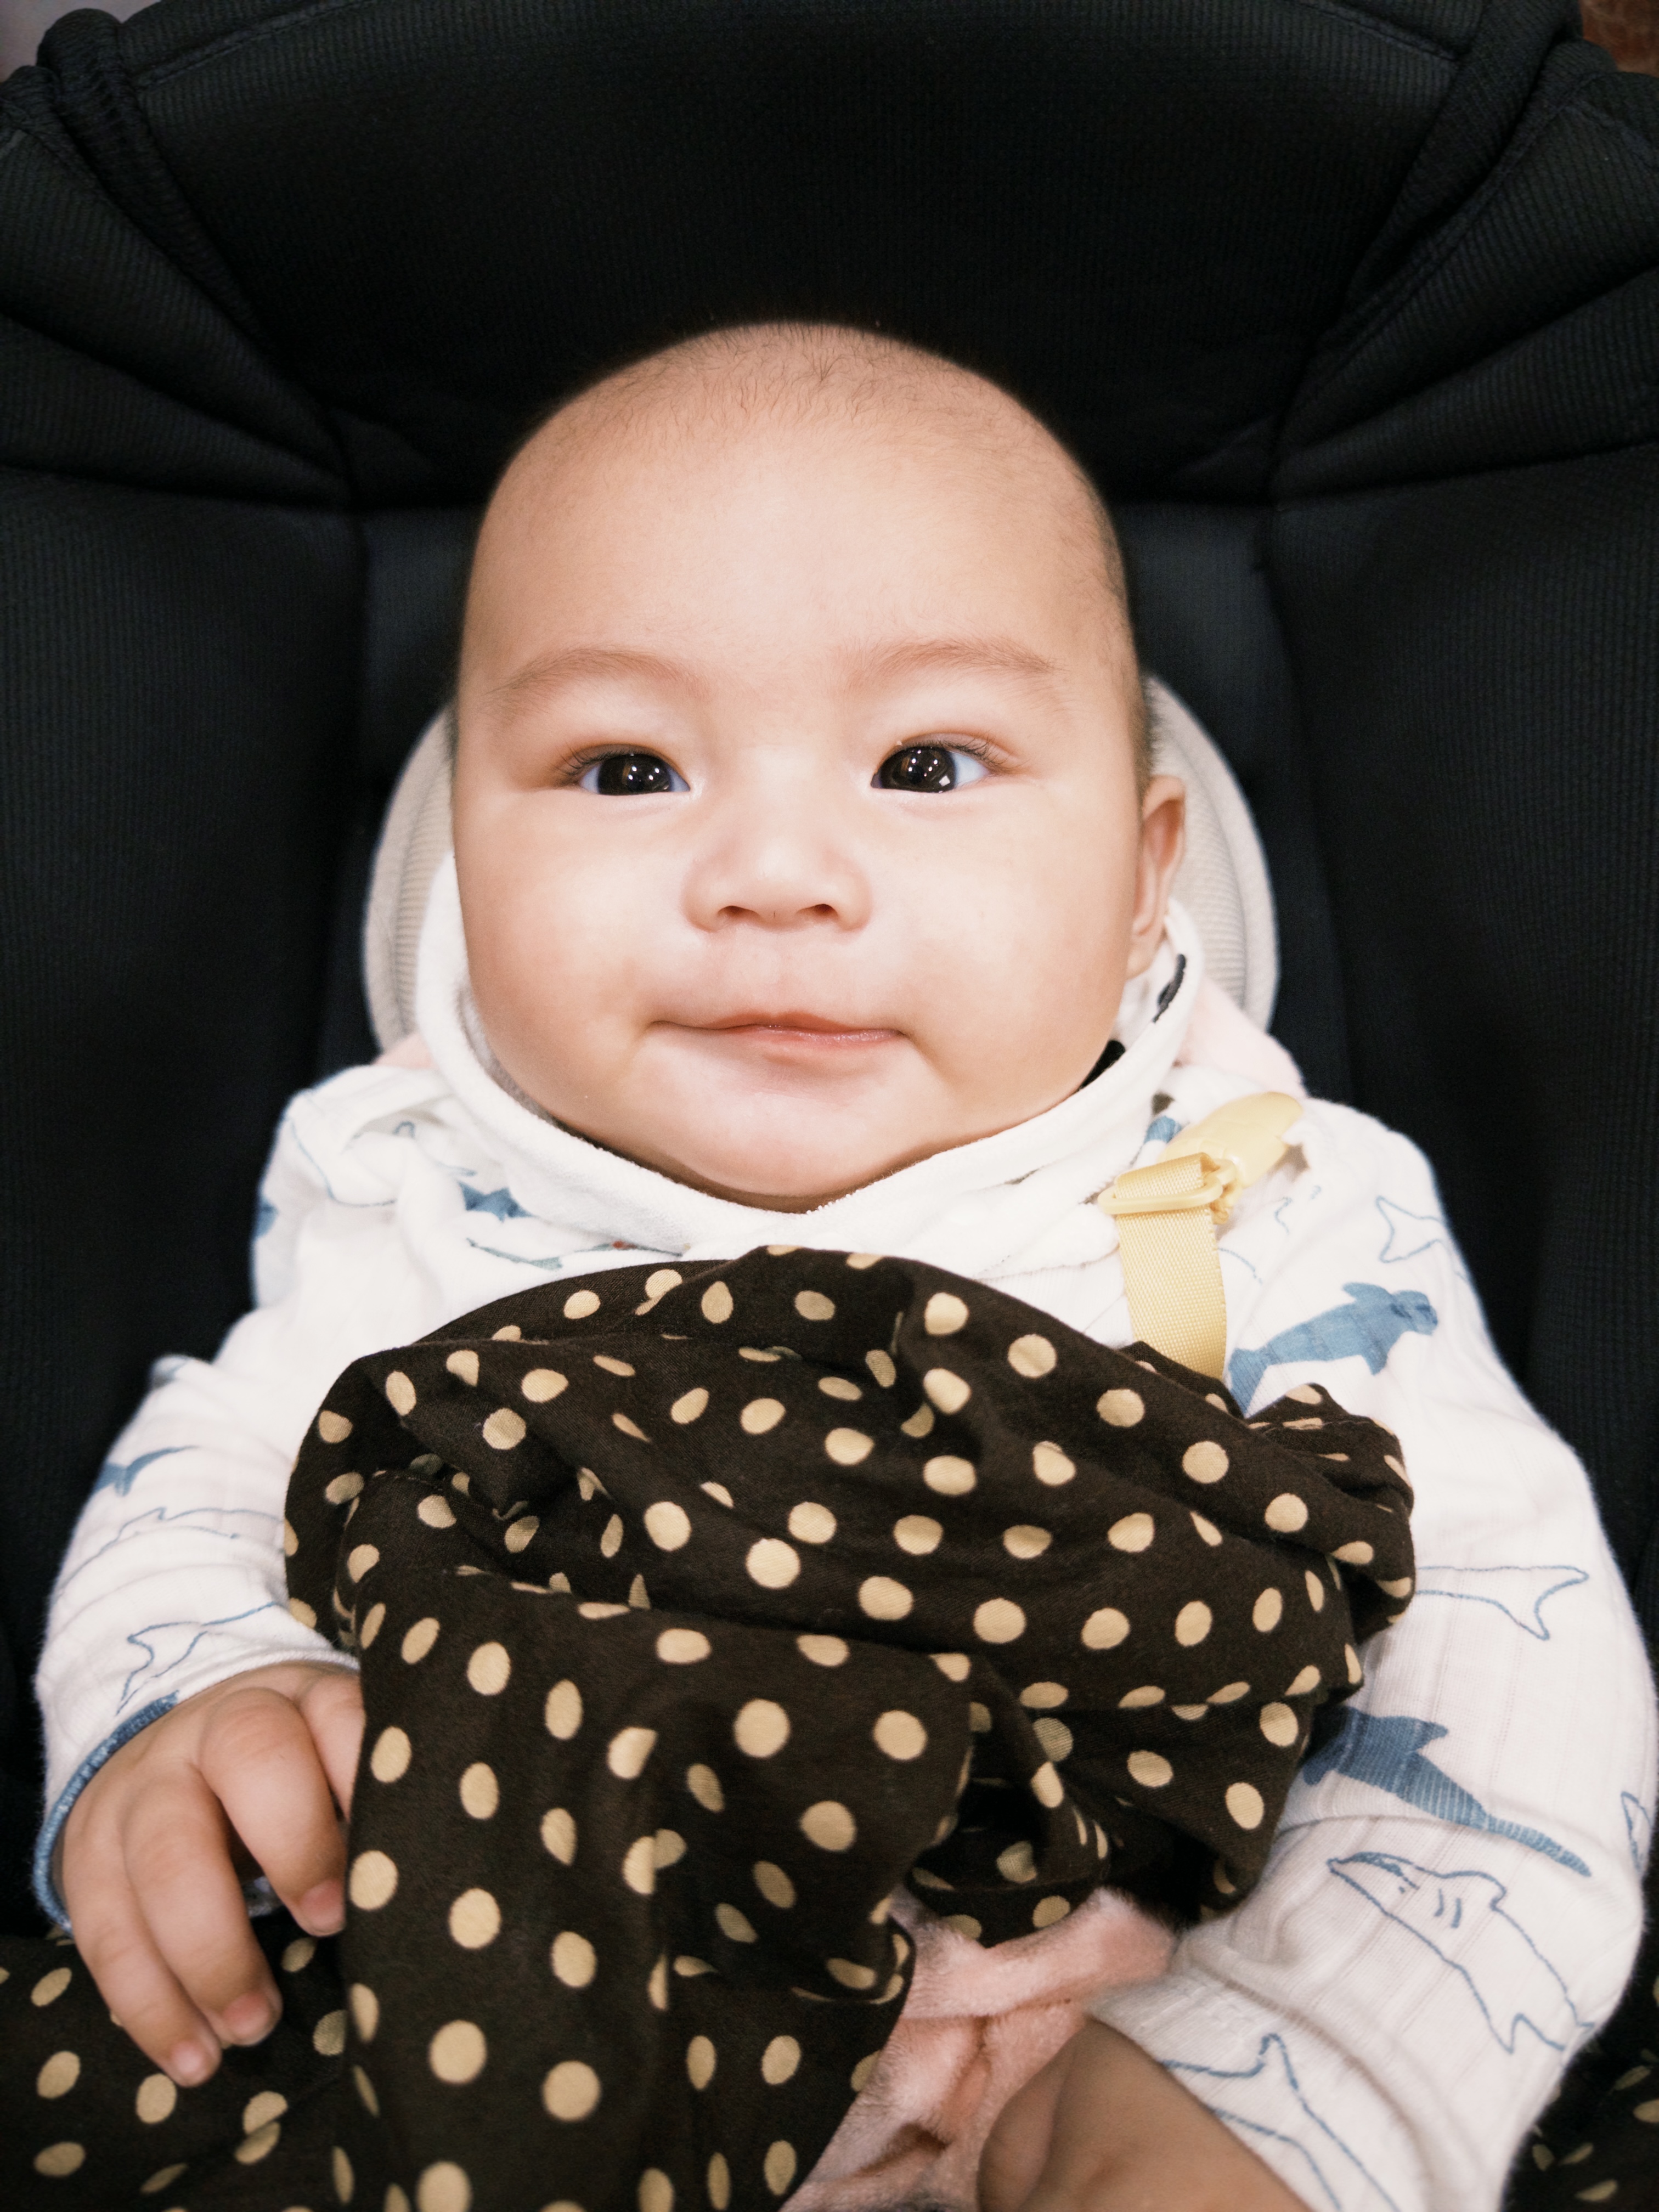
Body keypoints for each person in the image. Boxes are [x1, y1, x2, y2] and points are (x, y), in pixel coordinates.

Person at [36, 324, 1654, 2211]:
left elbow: (1502, 1643)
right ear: (463, 862)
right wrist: (196, 1706)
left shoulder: (1259, 1199)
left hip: (1125, 2049)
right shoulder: (411, 1199)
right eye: (627, 768)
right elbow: (212, 1482)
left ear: (1145, 877)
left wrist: (1295, 2086)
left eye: (927, 763)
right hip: (526, 2047)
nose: (777, 871)